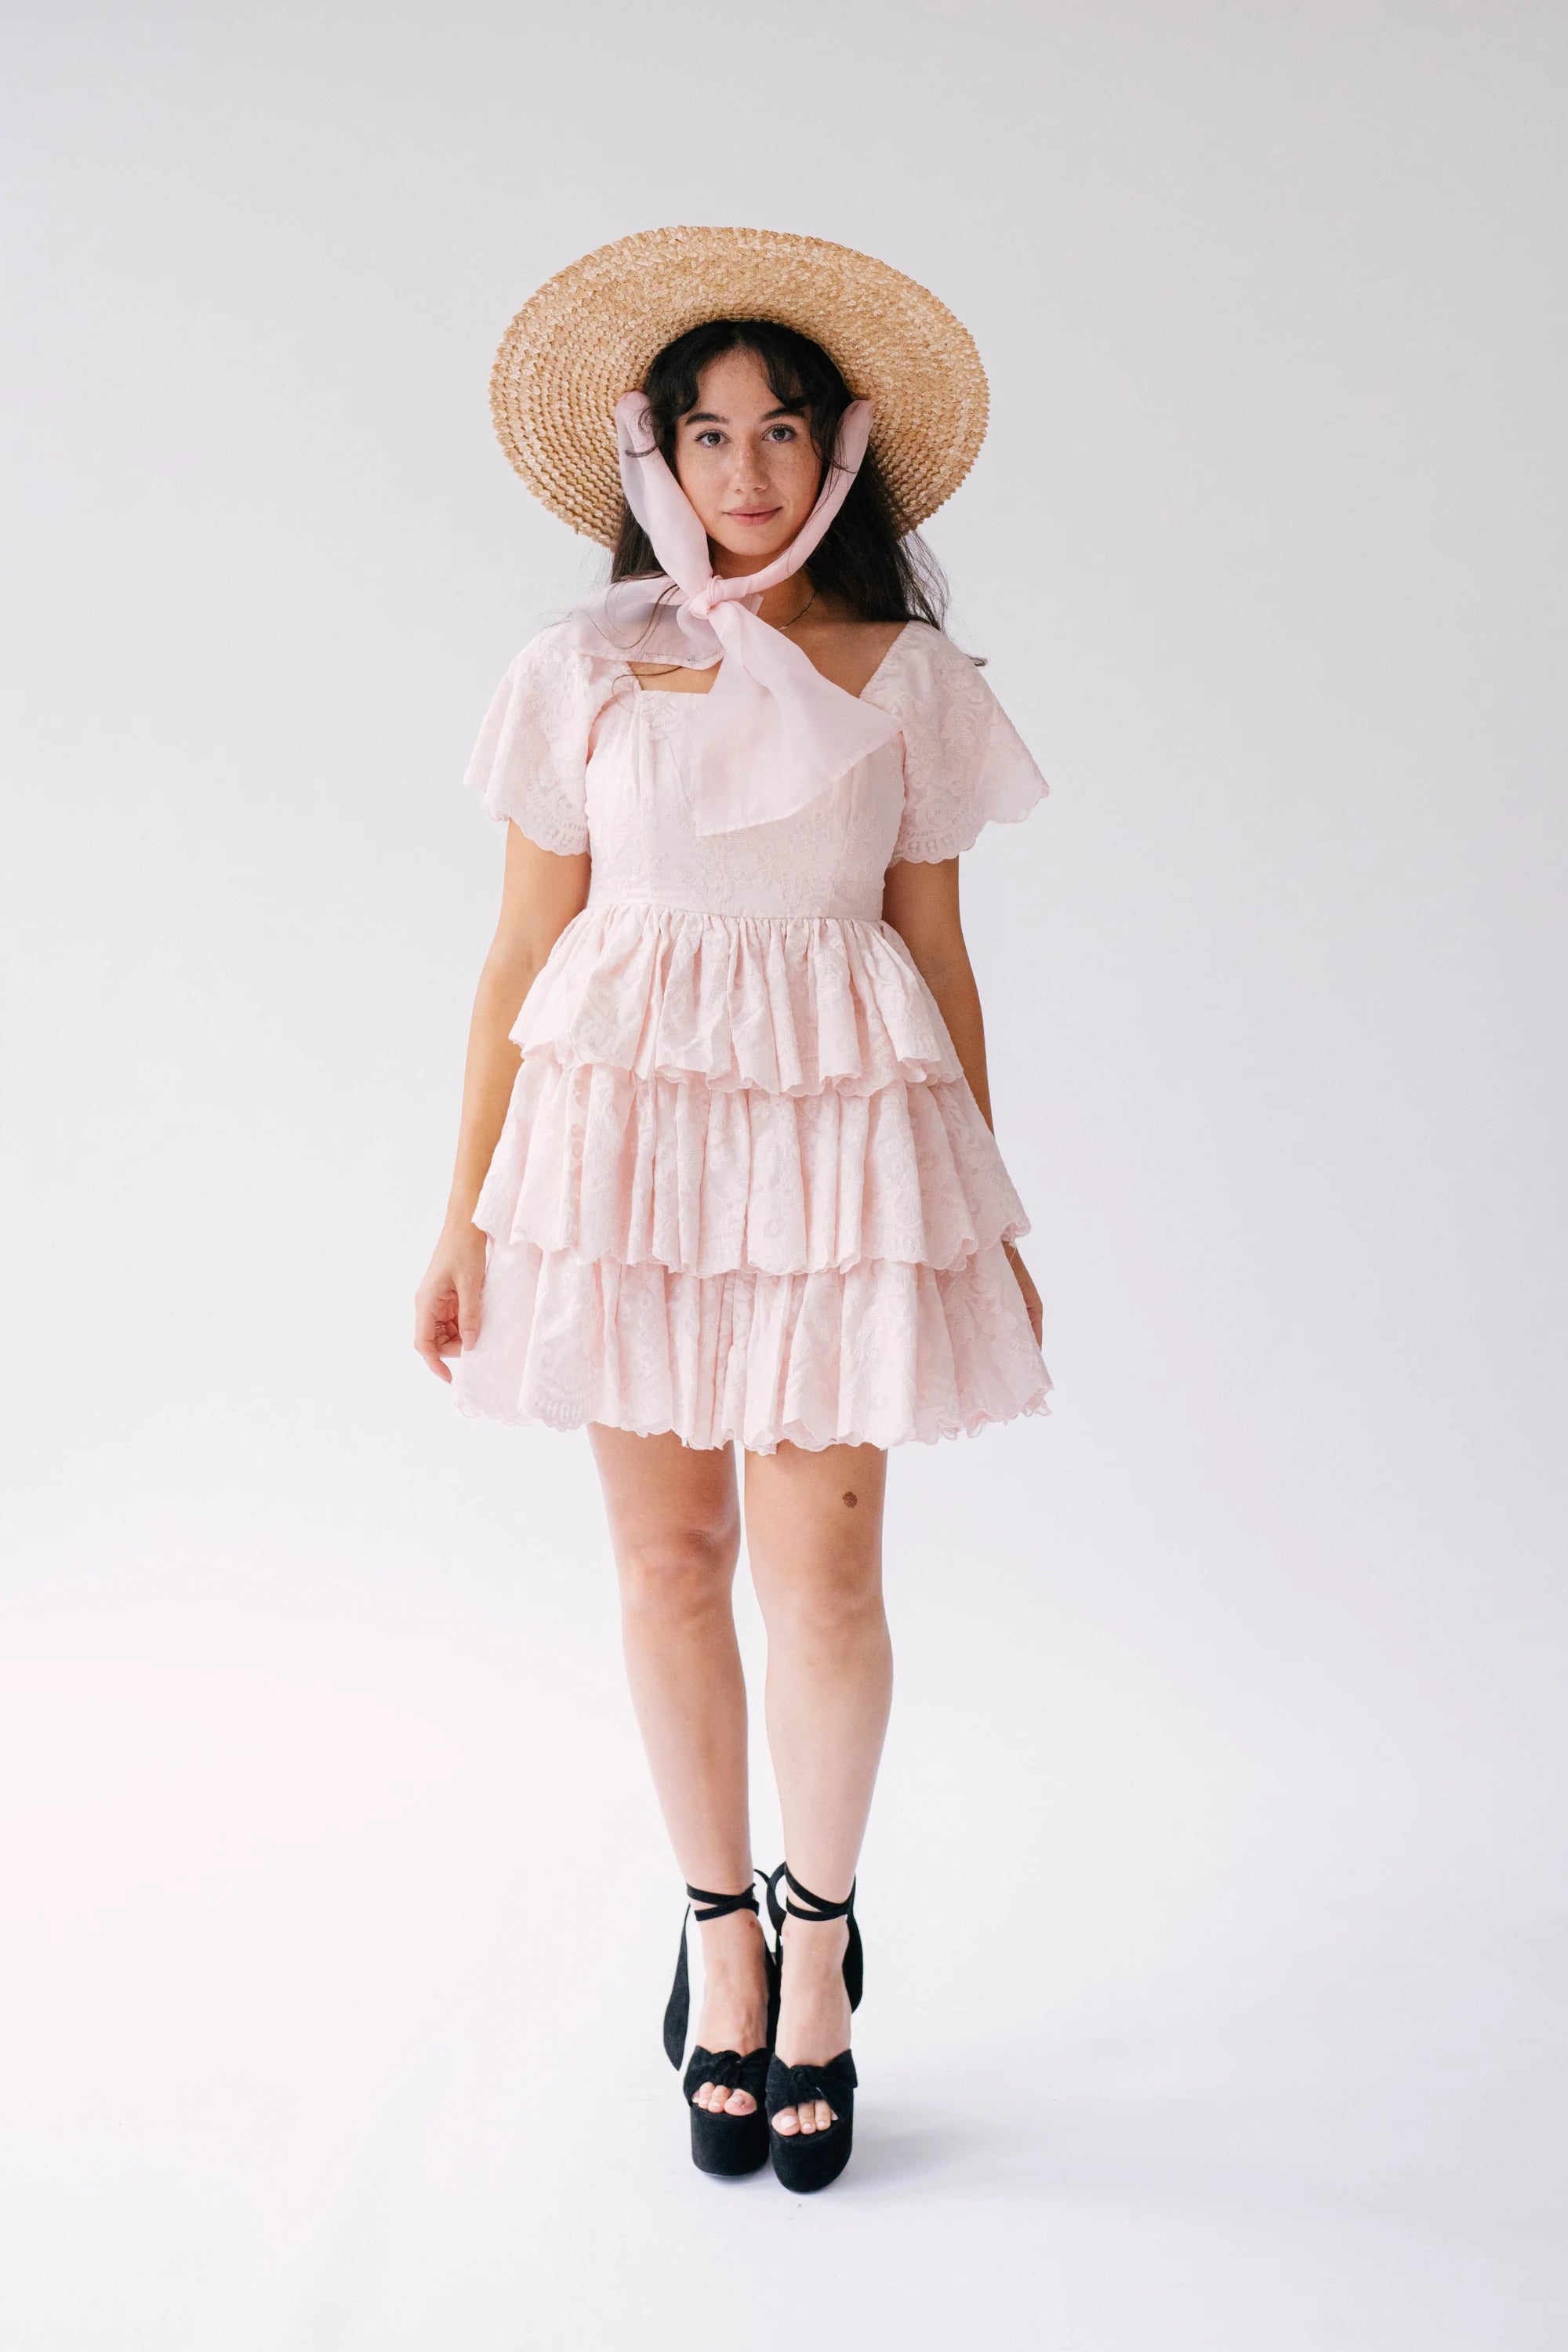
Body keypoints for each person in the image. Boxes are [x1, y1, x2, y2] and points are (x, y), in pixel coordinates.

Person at [415, 227, 1051, 2192]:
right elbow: (524, 950)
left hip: (841, 1151)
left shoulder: (910, 677)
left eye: (781, 430)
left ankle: (825, 1934)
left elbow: (933, 954)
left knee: (827, 1578)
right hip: (619, 1152)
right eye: (708, 435)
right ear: (653, 462)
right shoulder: (580, 673)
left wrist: (988, 1202)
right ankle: (714, 1931)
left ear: (839, 453)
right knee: (671, 1564)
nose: (748, 470)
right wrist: (462, 1214)